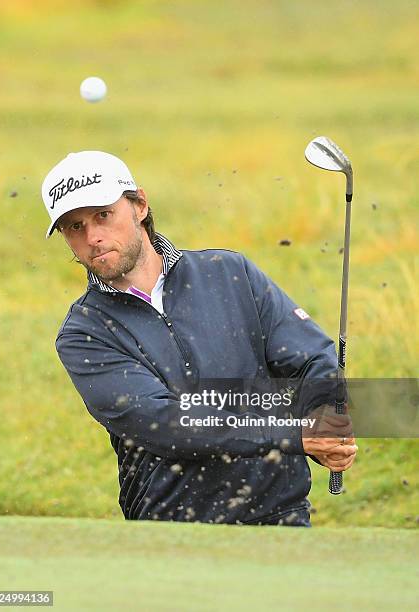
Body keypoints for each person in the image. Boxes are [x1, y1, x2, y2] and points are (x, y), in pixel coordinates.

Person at [42, 150, 357, 526]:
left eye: (103, 215)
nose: (93, 236)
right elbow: (165, 423)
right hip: (173, 530)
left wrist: (323, 416)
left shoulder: (228, 273)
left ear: (139, 205)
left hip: (281, 517)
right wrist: (292, 435)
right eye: (74, 227)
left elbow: (310, 358)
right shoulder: (84, 333)